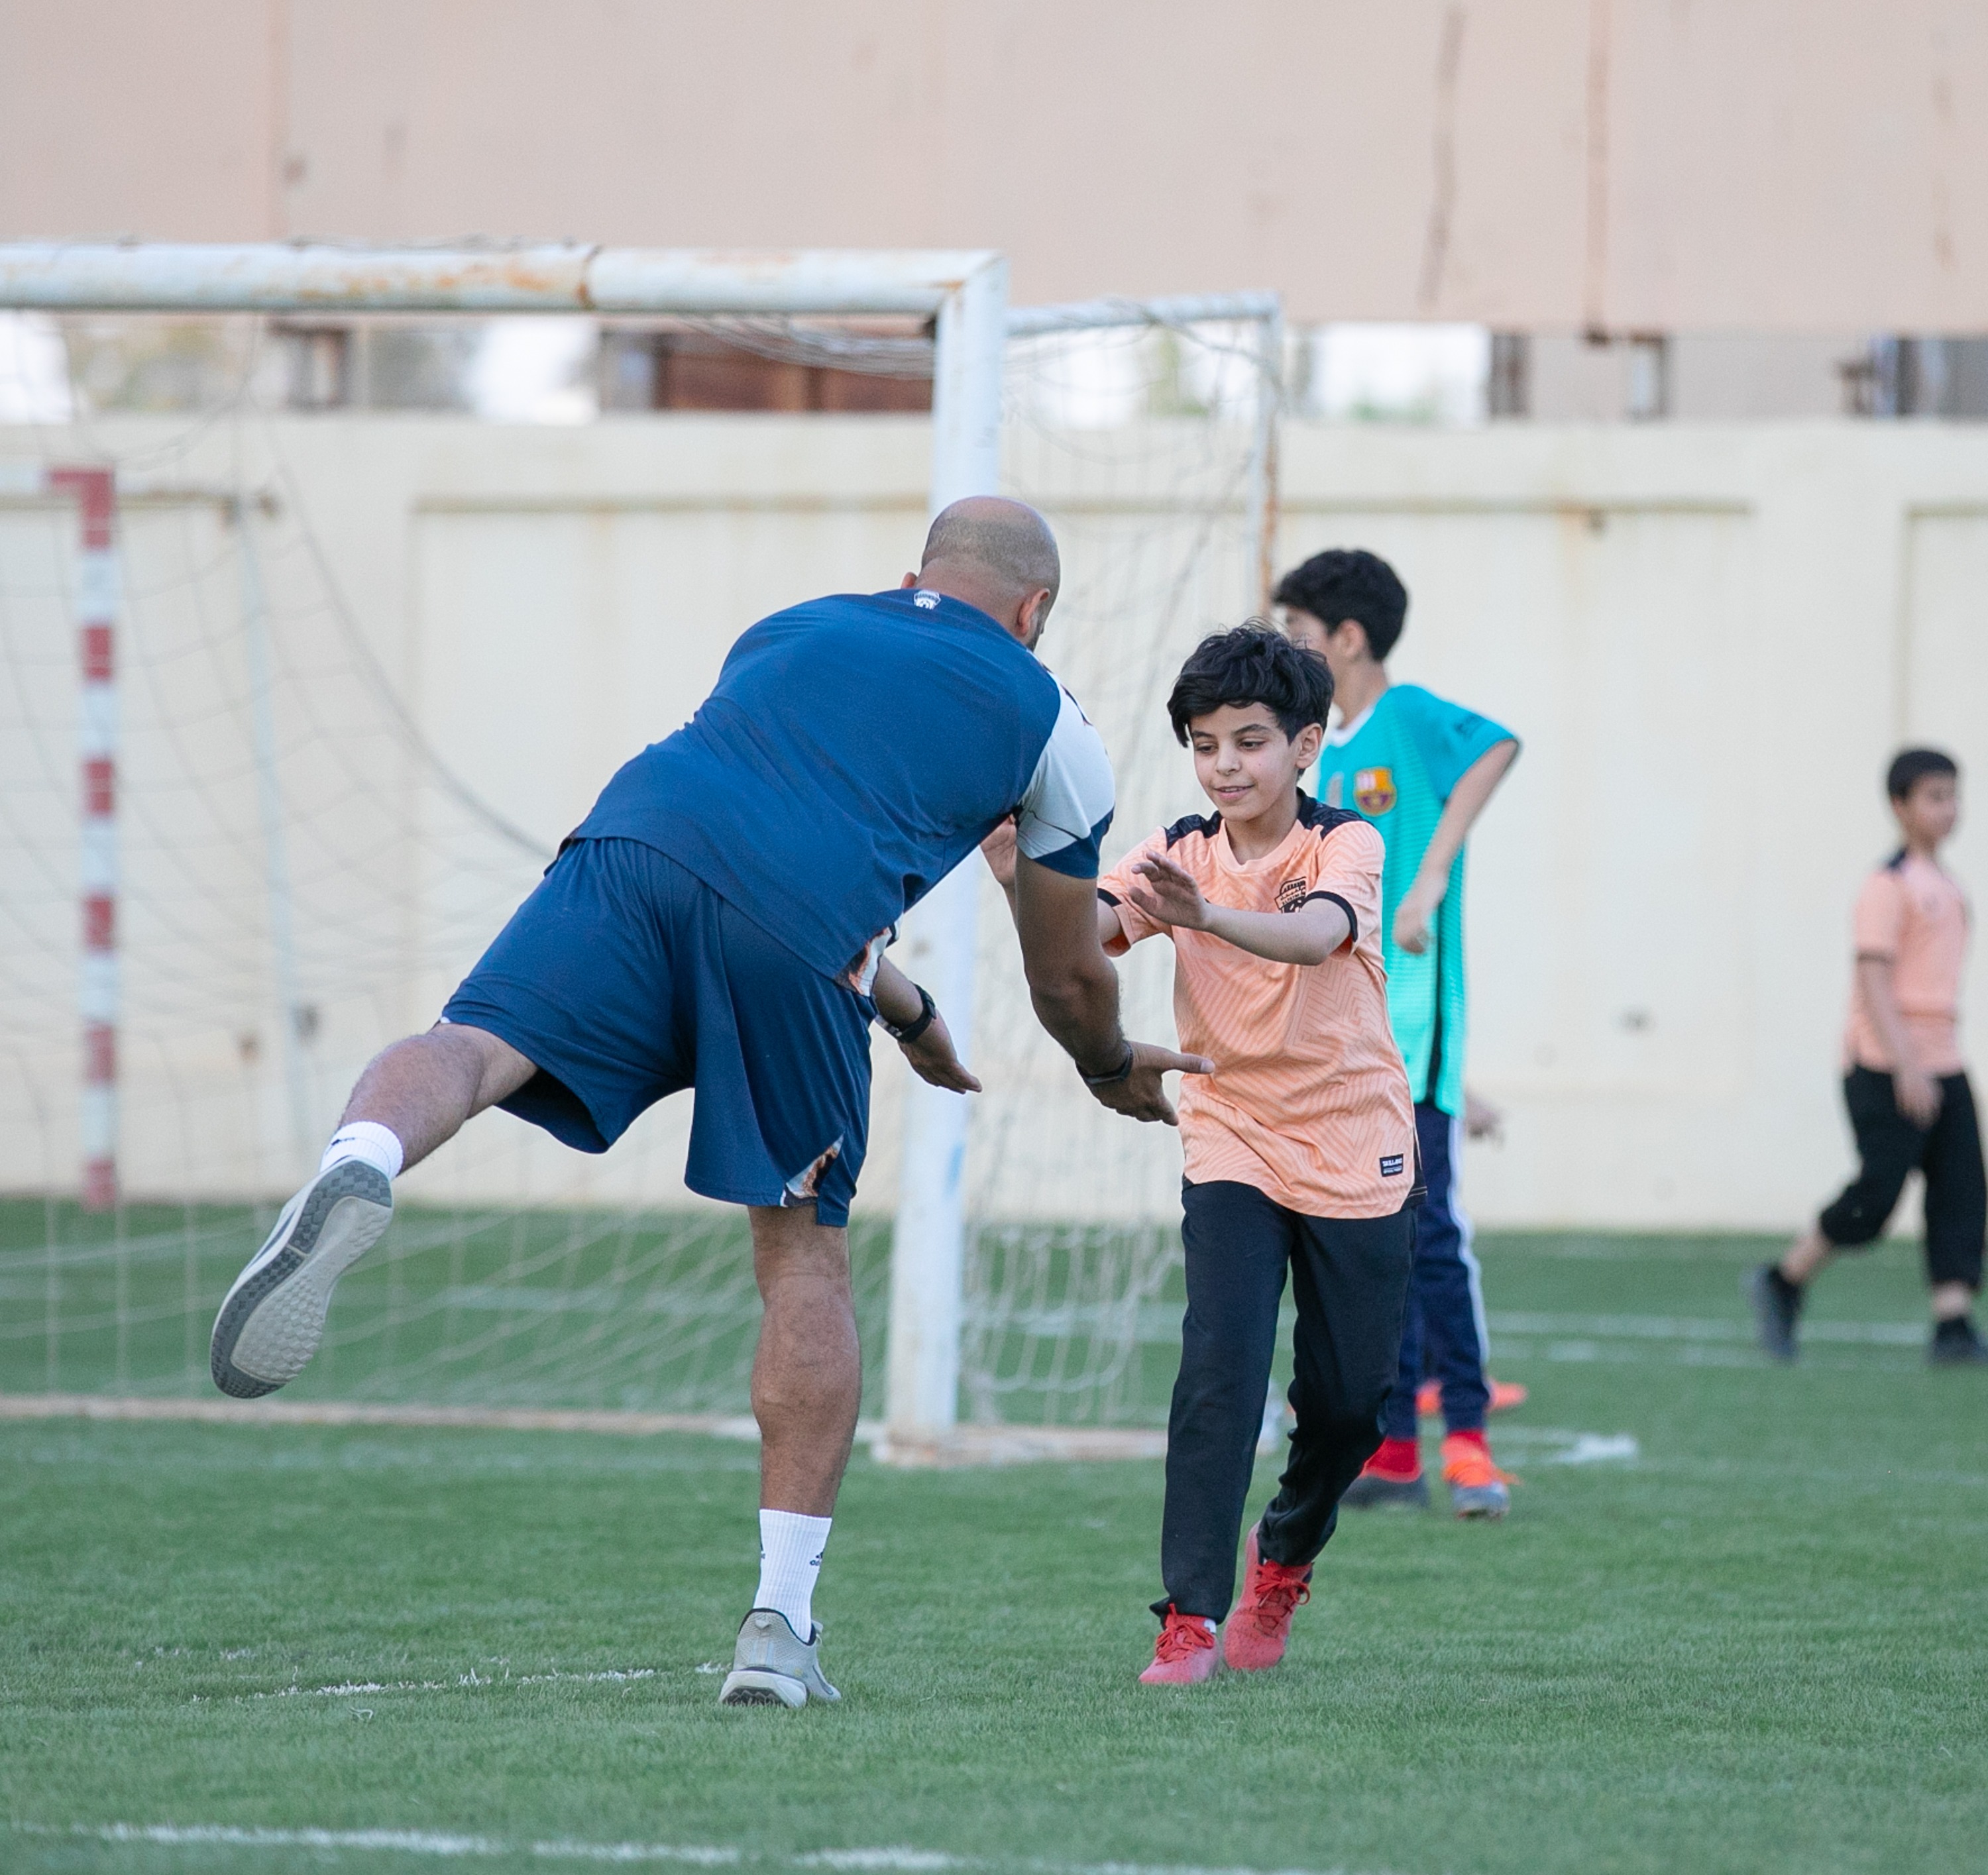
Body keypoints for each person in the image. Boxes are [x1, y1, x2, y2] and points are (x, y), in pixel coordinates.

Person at [207, 497, 1211, 1709]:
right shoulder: (1052, 723)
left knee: (470, 1047)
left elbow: (750, 836)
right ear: (1036, 609)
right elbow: (1064, 976)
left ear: (915, 573)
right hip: (799, 928)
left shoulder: (790, 626)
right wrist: (1106, 1064)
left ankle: (358, 1160)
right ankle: (778, 1626)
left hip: (634, 838)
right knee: (801, 1261)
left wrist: (908, 1014)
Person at [1083, 625, 1417, 1684]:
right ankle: (1188, 1616)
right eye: (1203, 744)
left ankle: (1286, 1553)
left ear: (1306, 744)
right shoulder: (1176, 851)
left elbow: (1316, 936)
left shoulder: (1346, 842)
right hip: (1231, 1132)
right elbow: (1091, 931)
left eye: (1249, 741)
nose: (1224, 765)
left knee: (1349, 1403)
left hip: (1355, 1137)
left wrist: (1211, 917)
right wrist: (1026, 878)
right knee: (1219, 1368)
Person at [1276, 548, 1521, 1519]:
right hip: (1348, 1039)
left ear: (1348, 638)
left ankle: (1468, 1440)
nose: (1289, 649)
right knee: (1371, 1247)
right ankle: (1393, 1454)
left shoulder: (1407, 715)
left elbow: (1496, 747)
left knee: (1433, 1235)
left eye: (1299, 634)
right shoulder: (1320, 754)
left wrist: (1432, 878)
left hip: (1415, 1033)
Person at [1752, 749, 1988, 1366]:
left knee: (1962, 1190)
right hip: (1885, 1064)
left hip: (1945, 1061)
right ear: (1900, 806)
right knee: (1877, 1195)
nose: (1949, 809)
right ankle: (1784, 1280)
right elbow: (1874, 979)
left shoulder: (1949, 886)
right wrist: (1906, 1064)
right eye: (1934, 797)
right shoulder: (1888, 885)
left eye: (1953, 796)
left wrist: (1935, 1063)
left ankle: (1953, 1323)